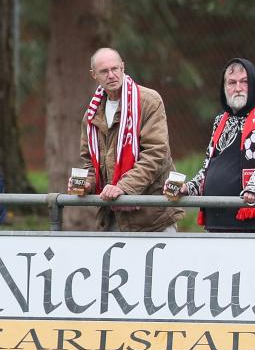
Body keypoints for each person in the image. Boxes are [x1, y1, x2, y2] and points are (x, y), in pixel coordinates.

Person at [73, 47, 183, 232]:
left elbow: (156, 154)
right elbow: (90, 163)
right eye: (104, 71)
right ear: (94, 75)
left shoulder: (149, 101)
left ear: (123, 67)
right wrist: (87, 183)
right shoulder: (91, 114)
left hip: (153, 217)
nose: (111, 75)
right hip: (112, 218)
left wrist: (124, 187)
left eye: (115, 69)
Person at [177, 58, 255, 232]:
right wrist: (188, 188)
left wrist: (254, 189)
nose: (238, 88)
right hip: (216, 218)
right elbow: (208, 168)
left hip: (252, 220)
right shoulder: (221, 119)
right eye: (232, 82)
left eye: (244, 82)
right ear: (224, 87)